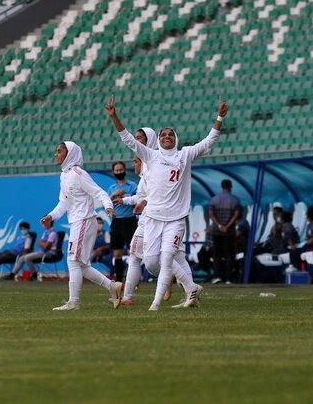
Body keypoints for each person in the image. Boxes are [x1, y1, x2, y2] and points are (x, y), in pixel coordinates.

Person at [106, 94, 228, 310]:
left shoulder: (185, 155)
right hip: (152, 217)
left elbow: (209, 141)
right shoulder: (150, 156)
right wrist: (114, 116)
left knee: (167, 258)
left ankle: (155, 304)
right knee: (152, 262)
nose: (167, 137)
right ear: (159, 139)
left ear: (176, 138)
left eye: (171, 134)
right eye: (163, 135)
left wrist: (219, 117)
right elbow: (127, 139)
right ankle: (191, 288)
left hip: (176, 219)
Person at [41, 141, 121, 311]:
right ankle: (112, 287)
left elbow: (99, 192)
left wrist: (108, 206)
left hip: (84, 221)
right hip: (78, 222)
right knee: (82, 265)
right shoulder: (64, 175)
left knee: (73, 261)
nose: (56, 154)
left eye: (60, 151)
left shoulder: (78, 173)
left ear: (69, 154)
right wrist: (51, 216)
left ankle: (74, 303)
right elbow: (63, 203)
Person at [107, 160, 138, 282]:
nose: (119, 172)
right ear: (113, 172)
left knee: (133, 253)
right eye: (117, 171)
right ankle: (119, 281)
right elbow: (107, 203)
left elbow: (138, 201)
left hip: (130, 221)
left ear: (125, 170)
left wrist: (127, 198)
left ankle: (133, 281)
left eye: (121, 170)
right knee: (117, 254)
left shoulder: (132, 186)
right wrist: (114, 194)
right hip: (117, 222)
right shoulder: (112, 188)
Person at [209, 179, 241, 284]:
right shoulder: (235, 200)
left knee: (217, 254)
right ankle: (228, 278)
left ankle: (217, 276)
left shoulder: (214, 199)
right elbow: (236, 214)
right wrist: (227, 226)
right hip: (229, 232)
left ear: (222, 187)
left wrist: (219, 225)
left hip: (216, 231)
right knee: (229, 254)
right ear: (230, 187)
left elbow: (211, 213)